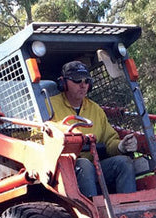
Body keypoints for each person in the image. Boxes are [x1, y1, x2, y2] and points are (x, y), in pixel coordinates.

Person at [49, 60, 137, 197]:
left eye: (86, 81)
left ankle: (130, 207)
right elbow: (39, 135)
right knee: (84, 164)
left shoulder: (96, 110)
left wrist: (121, 146)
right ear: (63, 83)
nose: (83, 85)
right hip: (62, 169)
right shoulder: (49, 106)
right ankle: (94, 212)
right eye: (77, 81)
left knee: (123, 163)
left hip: (93, 166)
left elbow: (109, 140)